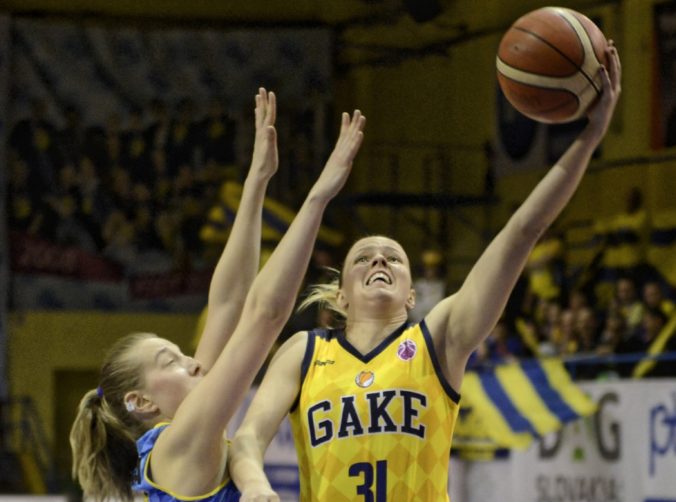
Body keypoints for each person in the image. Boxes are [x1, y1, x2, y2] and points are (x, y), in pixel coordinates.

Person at [230, 44, 622, 501]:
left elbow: (522, 231)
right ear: (341, 297)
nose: (379, 260)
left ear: (412, 295)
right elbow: (248, 438)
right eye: (364, 257)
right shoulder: (304, 351)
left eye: (393, 258)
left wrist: (590, 137)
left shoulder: (438, 339)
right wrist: (257, 488)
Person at [69, 87, 366, 501]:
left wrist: (256, 180)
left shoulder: (179, 433)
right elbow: (265, 315)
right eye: (170, 362)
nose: (192, 363)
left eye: (181, 353)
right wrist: (317, 199)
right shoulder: (180, 442)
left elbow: (230, 302)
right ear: (141, 400)